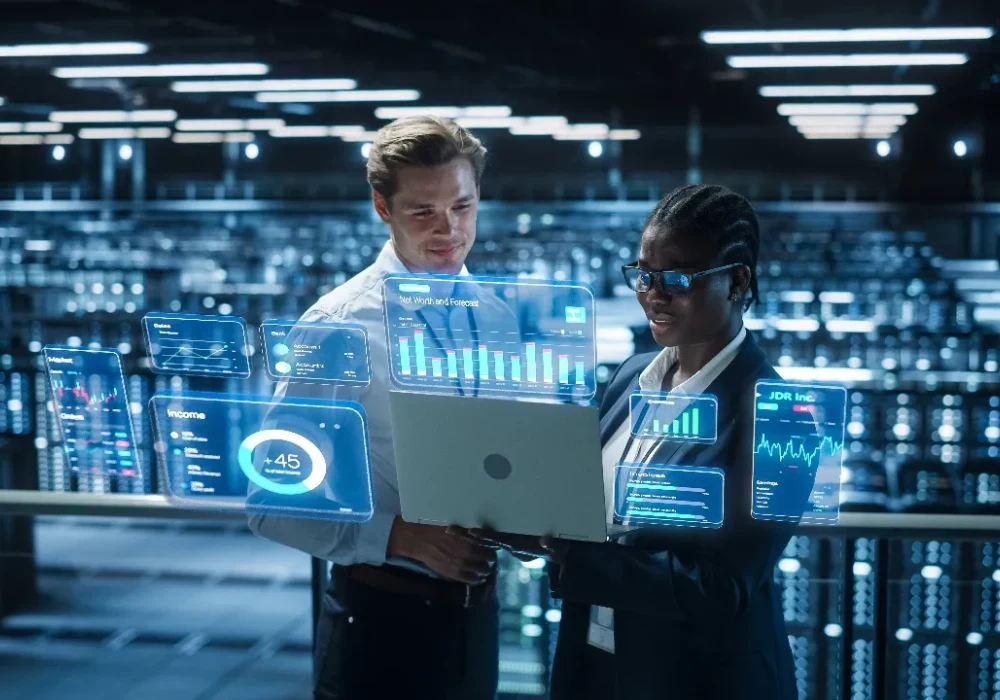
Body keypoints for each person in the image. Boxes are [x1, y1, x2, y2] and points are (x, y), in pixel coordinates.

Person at [473, 184, 799, 699]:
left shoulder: (784, 419)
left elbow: (721, 588)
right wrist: (530, 523)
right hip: (599, 666)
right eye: (645, 274)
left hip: (698, 681)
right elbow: (592, 514)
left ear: (738, 280)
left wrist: (570, 557)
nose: (654, 293)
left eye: (678, 277)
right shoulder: (630, 379)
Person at [248, 116, 501, 699]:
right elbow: (269, 501)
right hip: (383, 625)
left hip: (476, 620)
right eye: (423, 212)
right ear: (382, 209)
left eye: (463, 206)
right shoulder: (337, 328)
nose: (449, 230)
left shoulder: (495, 313)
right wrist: (401, 537)